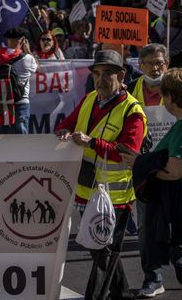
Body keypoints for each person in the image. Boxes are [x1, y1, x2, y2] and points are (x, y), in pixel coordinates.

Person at [55, 49, 146, 300]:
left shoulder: (132, 110)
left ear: (122, 75)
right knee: (101, 251)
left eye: (108, 73)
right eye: (97, 73)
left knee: (105, 253)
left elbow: (129, 152)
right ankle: (122, 293)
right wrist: (63, 130)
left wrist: (92, 142)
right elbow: (67, 124)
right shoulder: (89, 99)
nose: (101, 79)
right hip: (87, 191)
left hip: (116, 196)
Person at [121, 68, 182, 299]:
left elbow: (175, 171)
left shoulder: (181, 127)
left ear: (171, 97)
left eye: (164, 95)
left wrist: (141, 165)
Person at [126, 43, 169, 297]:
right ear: (139, 65)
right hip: (144, 169)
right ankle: (153, 277)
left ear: (168, 64)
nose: (156, 67)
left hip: (175, 164)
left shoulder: (177, 88)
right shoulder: (130, 91)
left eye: (160, 62)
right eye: (150, 62)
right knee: (145, 226)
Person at [0, 28, 38, 134]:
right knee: (21, 141)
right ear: (23, 40)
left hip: (0, 102)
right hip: (20, 102)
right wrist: (28, 50)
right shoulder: (28, 59)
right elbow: (39, 70)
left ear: (7, 40)